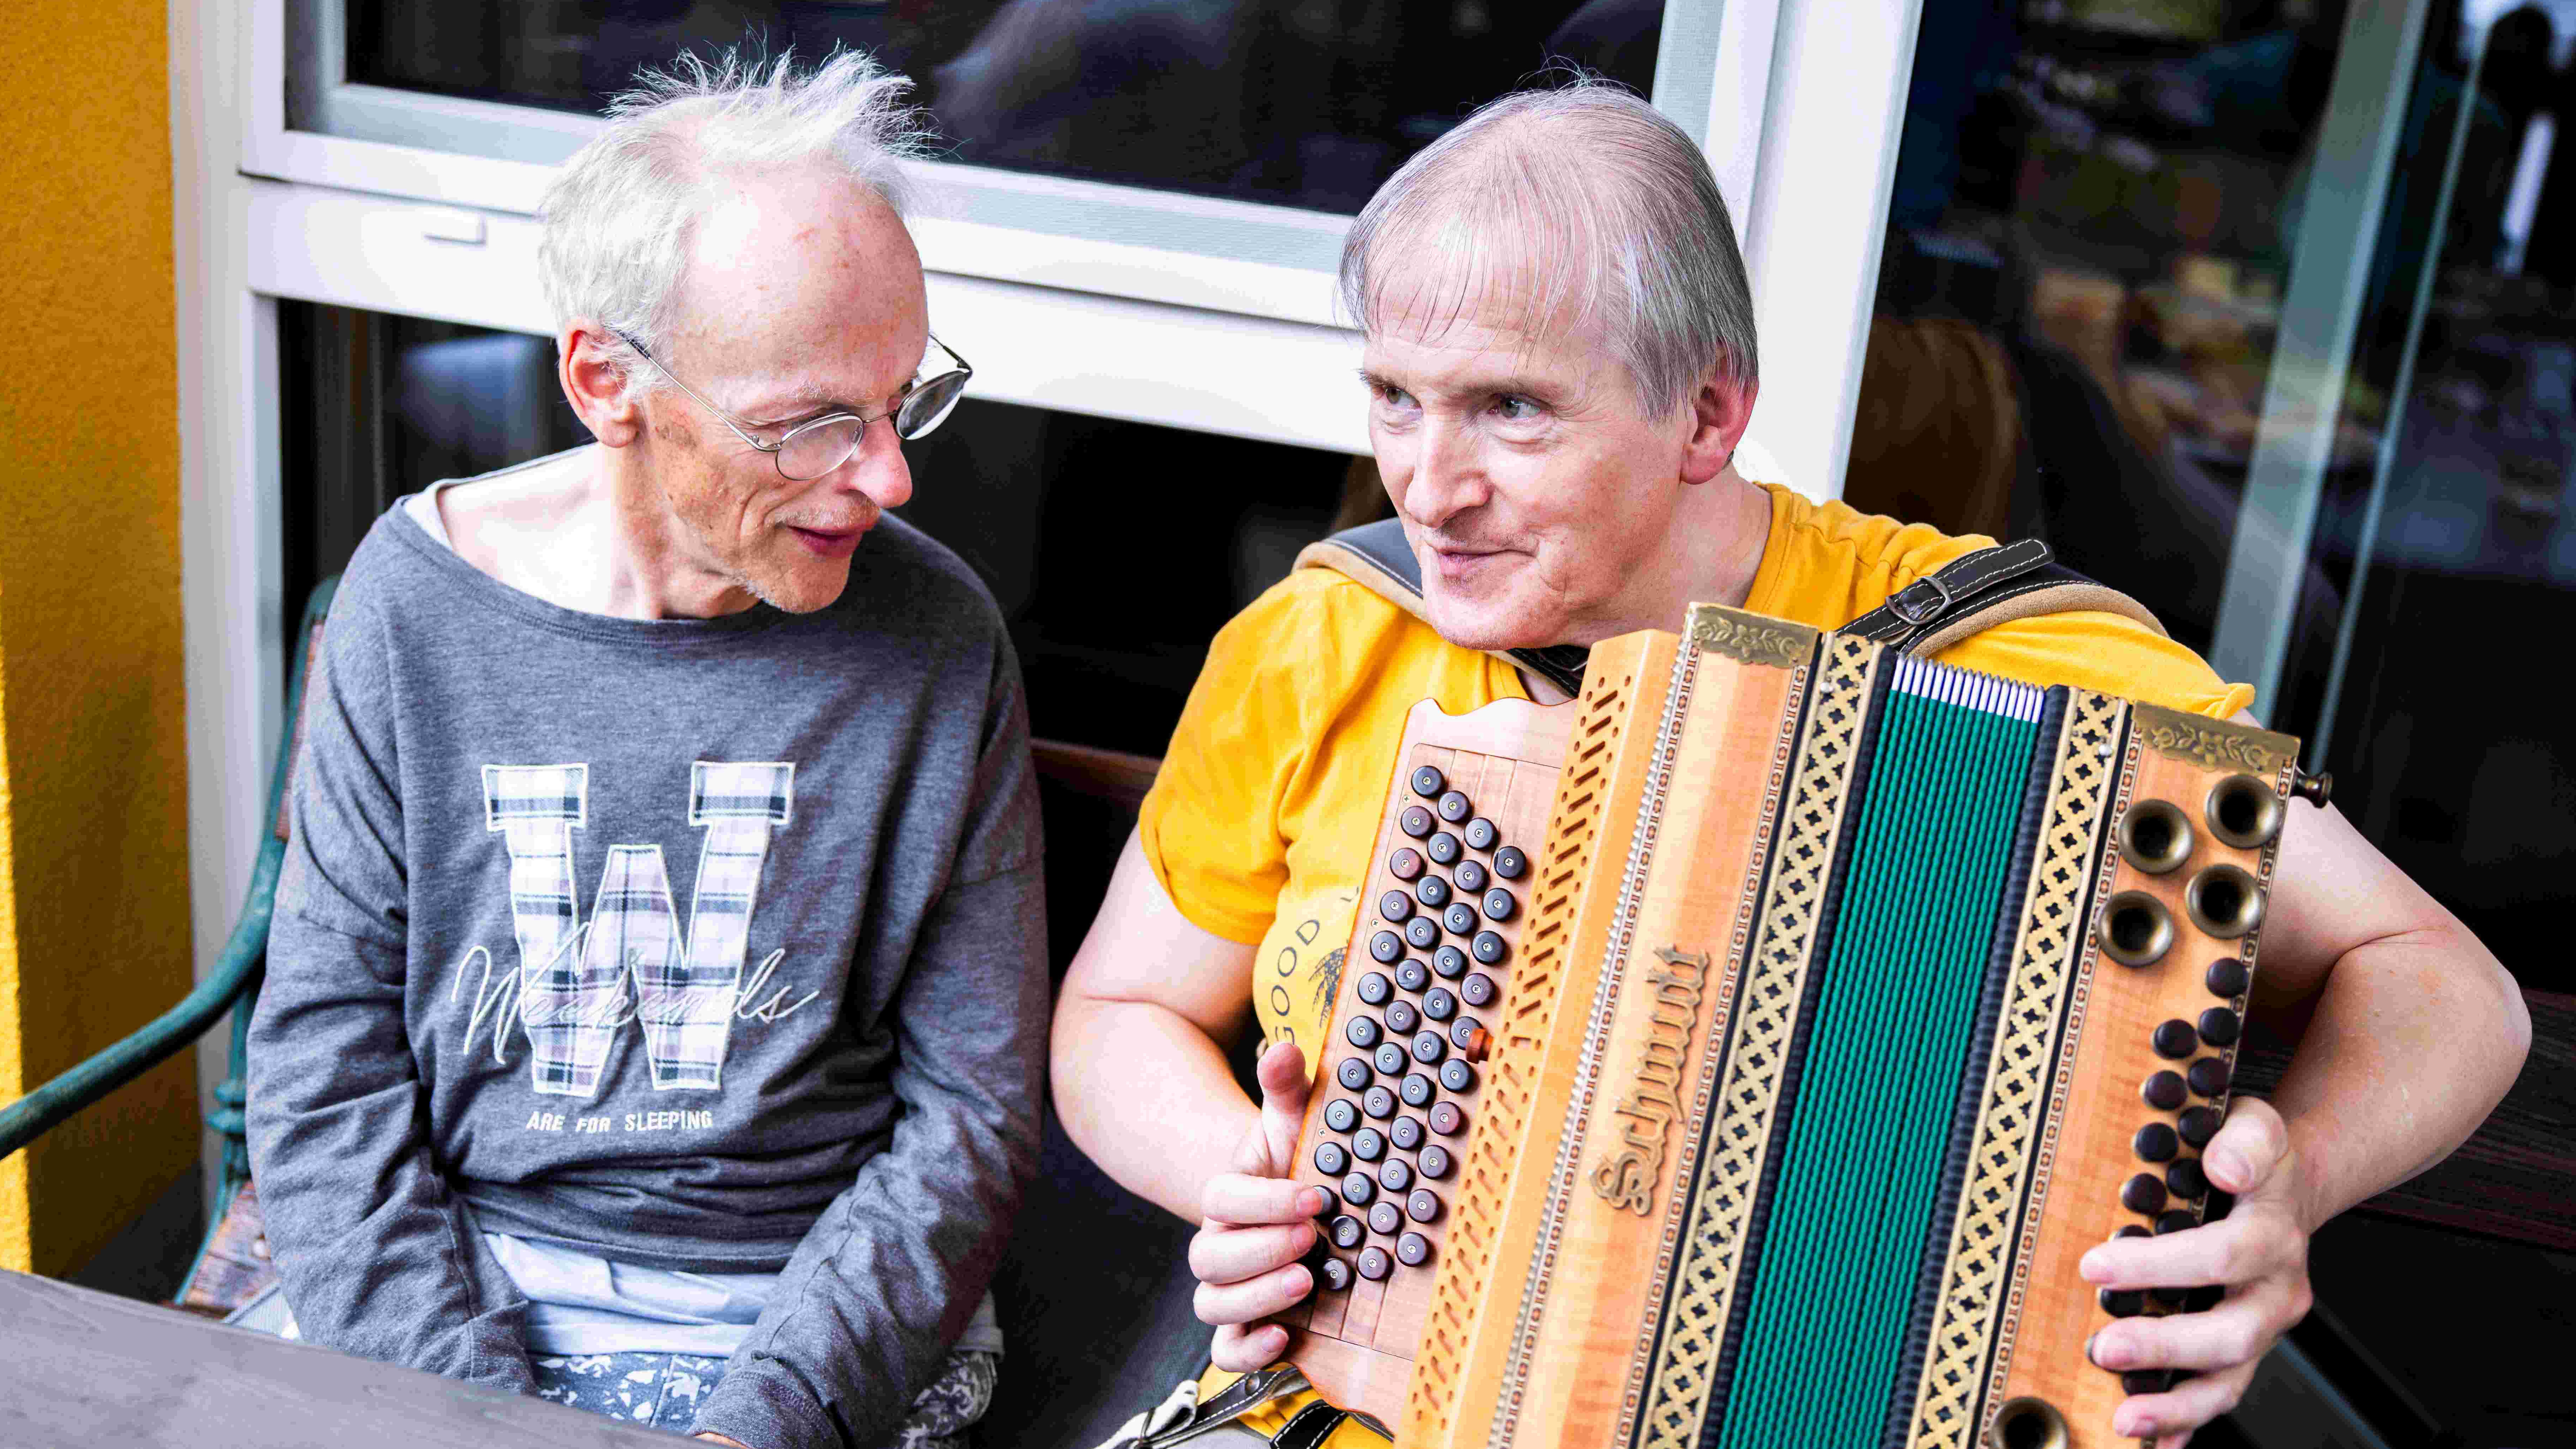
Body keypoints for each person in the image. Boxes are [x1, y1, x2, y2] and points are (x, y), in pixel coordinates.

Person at [1052, 81, 2529, 1449]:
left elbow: (2444, 987)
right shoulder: (1327, 640)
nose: (1426, 489)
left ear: (1706, 413)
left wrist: (2292, 1186)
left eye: (1510, 409)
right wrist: (1245, 1188)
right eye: (1394, 399)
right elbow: (1114, 1013)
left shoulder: (2004, 662)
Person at [246, 51, 1043, 1449]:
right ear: (607, 379)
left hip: (797, 1308)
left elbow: (970, 1118)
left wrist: (769, 1420)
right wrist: (464, 1405)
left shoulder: (939, 644)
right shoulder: (410, 610)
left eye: (903, 399)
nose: (890, 474)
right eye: (811, 424)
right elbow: (327, 1067)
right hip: (456, 1267)